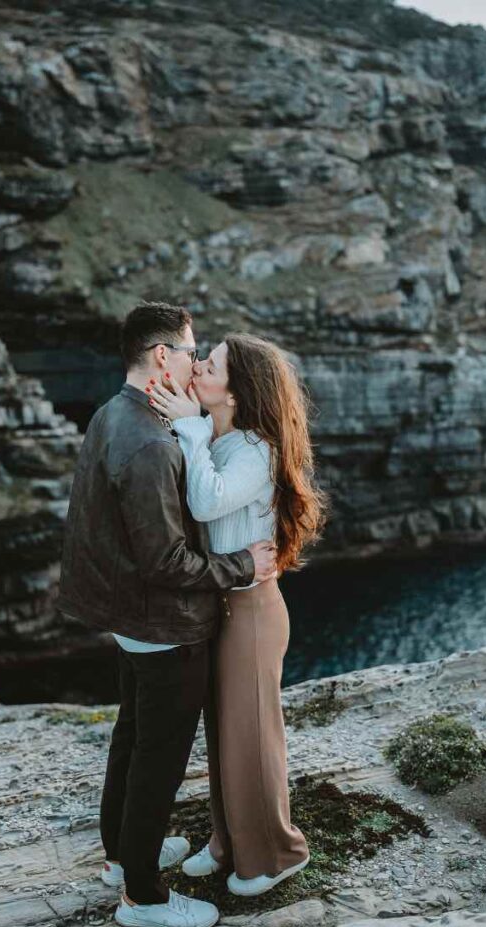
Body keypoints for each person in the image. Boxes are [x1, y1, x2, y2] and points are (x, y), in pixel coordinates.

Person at [56, 303, 278, 927]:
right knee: (157, 759)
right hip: (165, 625)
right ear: (162, 357)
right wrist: (242, 566)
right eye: (190, 351)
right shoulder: (153, 442)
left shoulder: (112, 413)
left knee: (130, 739)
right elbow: (168, 561)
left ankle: (121, 856)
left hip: (126, 617)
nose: (195, 360)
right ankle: (144, 897)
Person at [147, 332, 328, 896]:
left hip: (251, 611)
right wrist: (192, 428)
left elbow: (206, 501)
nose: (197, 366)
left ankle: (276, 853)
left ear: (237, 389)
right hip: (220, 605)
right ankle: (227, 842)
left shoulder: (256, 449)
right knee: (224, 733)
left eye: (211, 363)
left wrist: (191, 429)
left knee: (252, 737)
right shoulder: (219, 437)